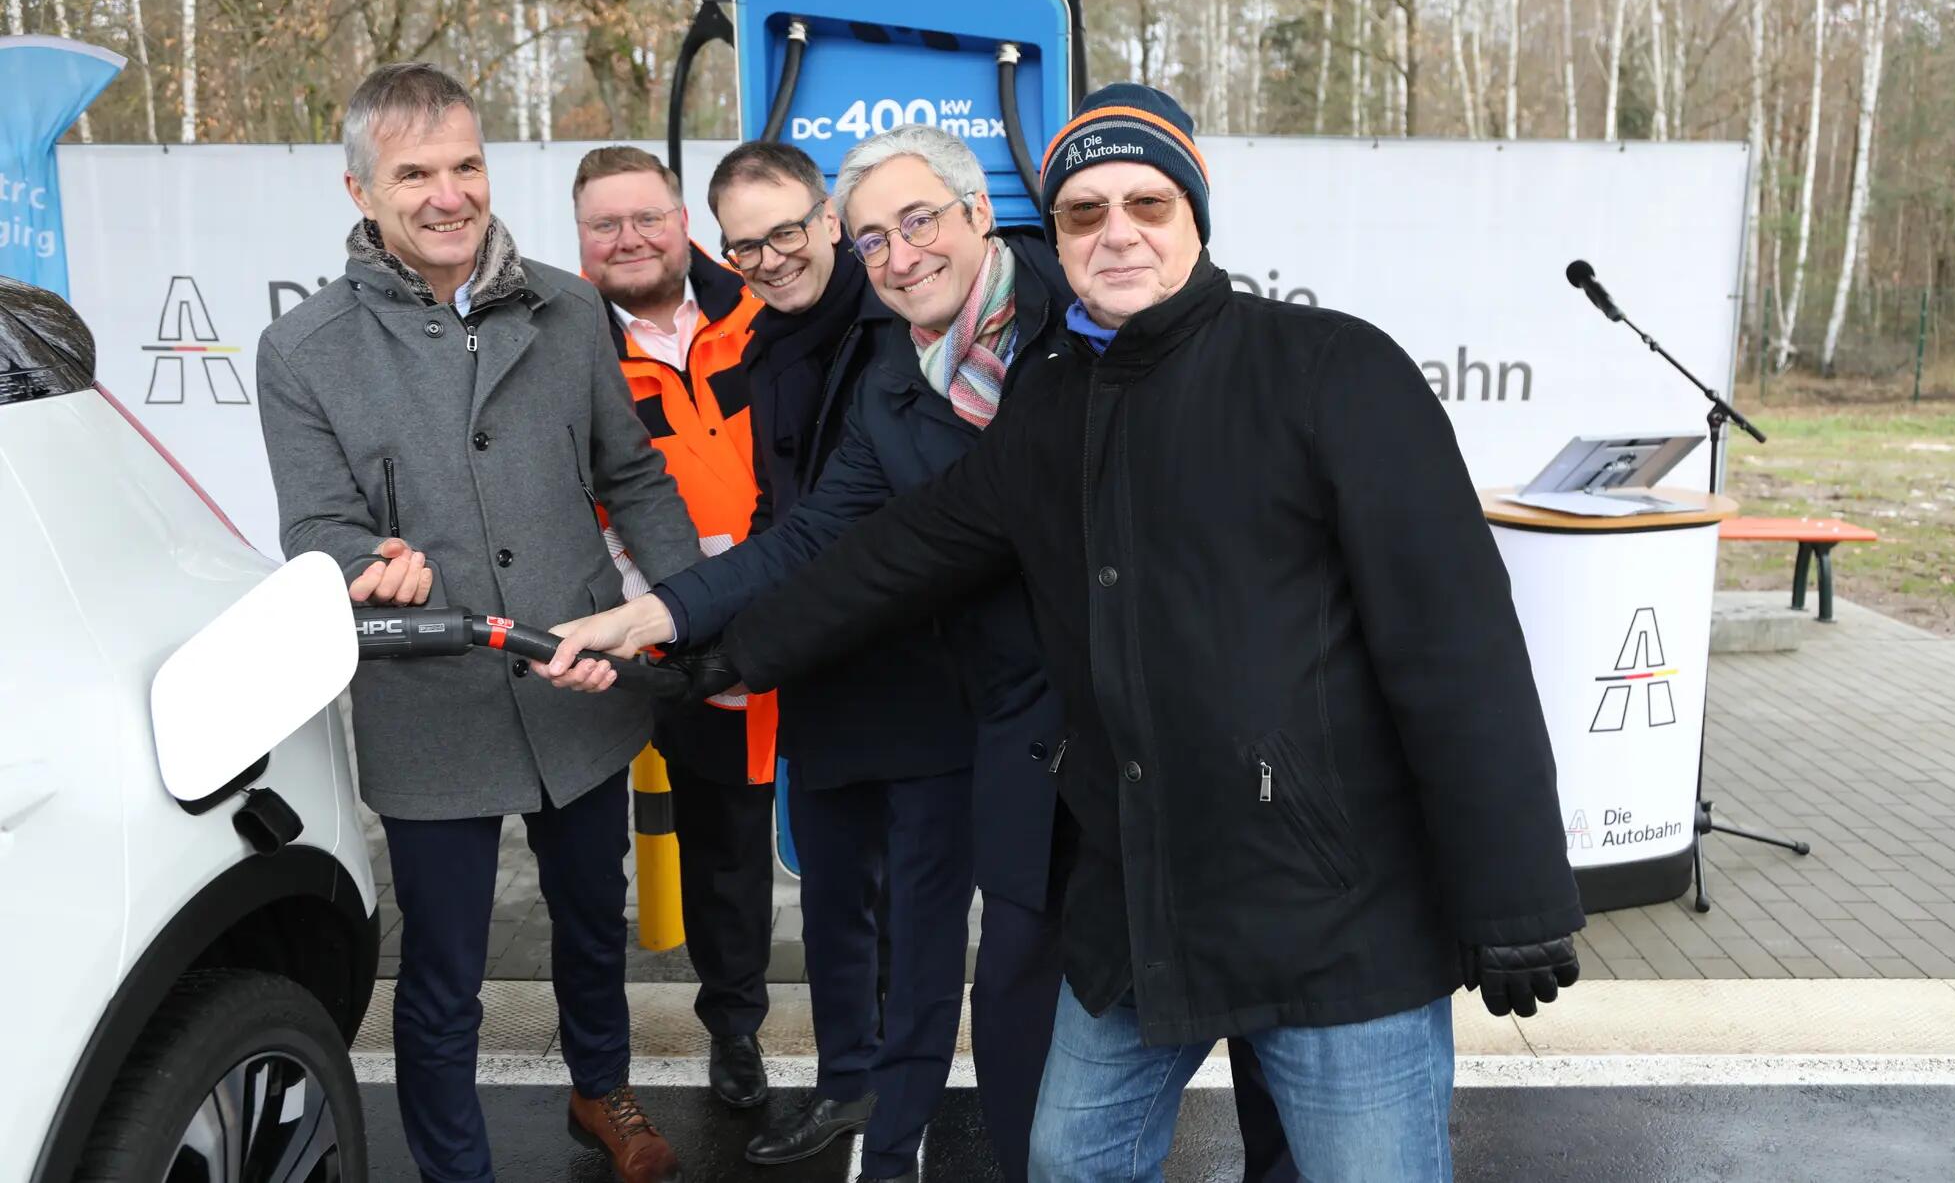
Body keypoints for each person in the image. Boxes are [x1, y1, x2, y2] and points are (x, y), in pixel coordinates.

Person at [551, 85, 1586, 1182]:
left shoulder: (1331, 369)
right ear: (1056, 232)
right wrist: (704, 651)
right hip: (1134, 889)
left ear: (1193, 216)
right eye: (1085, 212)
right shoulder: (1051, 401)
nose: (1117, 231)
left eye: (1146, 201)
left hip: (1330, 906)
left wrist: (1514, 892)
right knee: (1069, 1160)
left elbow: (1455, 645)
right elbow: (882, 553)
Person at [544, 123, 1302, 1181]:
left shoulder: (1081, 322)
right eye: (874, 242)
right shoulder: (895, 391)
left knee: (1261, 1010)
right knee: (1022, 1026)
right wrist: (666, 619)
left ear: (977, 214)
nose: (899, 257)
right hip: (1038, 738)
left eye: (918, 223)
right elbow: (818, 546)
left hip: (1196, 732)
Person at [255, 63, 698, 1183]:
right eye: (414, 174)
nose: (448, 194)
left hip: (583, 683)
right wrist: (364, 563)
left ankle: (600, 1092)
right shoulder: (303, 350)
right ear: (361, 189)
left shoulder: (566, 306)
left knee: (591, 922)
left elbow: (633, 476)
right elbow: (316, 524)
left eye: (465, 165)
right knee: (443, 966)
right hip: (431, 706)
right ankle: (456, 1166)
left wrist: (684, 607)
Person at [701, 139, 988, 1181]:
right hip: (817, 671)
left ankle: (899, 1129)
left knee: (920, 916)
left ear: (827, 220)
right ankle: (845, 1084)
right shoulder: (763, 343)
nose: (770, 258)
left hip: (924, 670)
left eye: (786, 231)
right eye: (744, 247)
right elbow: (785, 519)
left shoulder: (907, 321)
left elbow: (893, 529)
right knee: (829, 902)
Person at [572, 145, 778, 1110]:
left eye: (646, 216)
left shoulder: (762, 305)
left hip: (803, 611)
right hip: (667, 639)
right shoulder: (566, 341)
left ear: (681, 217)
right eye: (605, 224)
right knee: (722, 850)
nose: (629, 239)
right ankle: (733, 1031)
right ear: (580, 239)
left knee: (855, 835)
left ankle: (881, 1025)